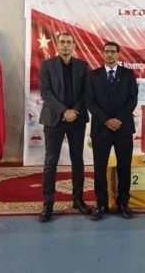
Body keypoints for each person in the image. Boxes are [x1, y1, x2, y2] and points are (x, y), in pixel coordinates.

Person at [38, 32, 90, 223]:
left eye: (69, 42)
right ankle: (48, 203)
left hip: (76, 118)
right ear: (57, 45)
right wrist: (63, 111)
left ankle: (78, 199)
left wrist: (74, 111)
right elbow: (45, 92)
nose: (65, 45)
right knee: (51, 161)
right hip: (54, 119)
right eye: (62, 42)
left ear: (74, 45)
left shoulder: (83, 66)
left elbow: (86, 92)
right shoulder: (47, 65)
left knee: (77, 160)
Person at [86, 41, 138, 221]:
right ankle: (102, 204)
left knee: (124, 167)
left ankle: (123, 203)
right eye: (106, 51)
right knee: (99, 168)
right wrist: (107, 120)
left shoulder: (128, 74)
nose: (109, 54)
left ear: (118, 54)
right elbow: (90, 102)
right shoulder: (93, 76)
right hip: (101, 128)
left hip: (124, 128)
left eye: (113, 52)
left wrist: (119, 119)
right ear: (102, 54)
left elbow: (132, 100)